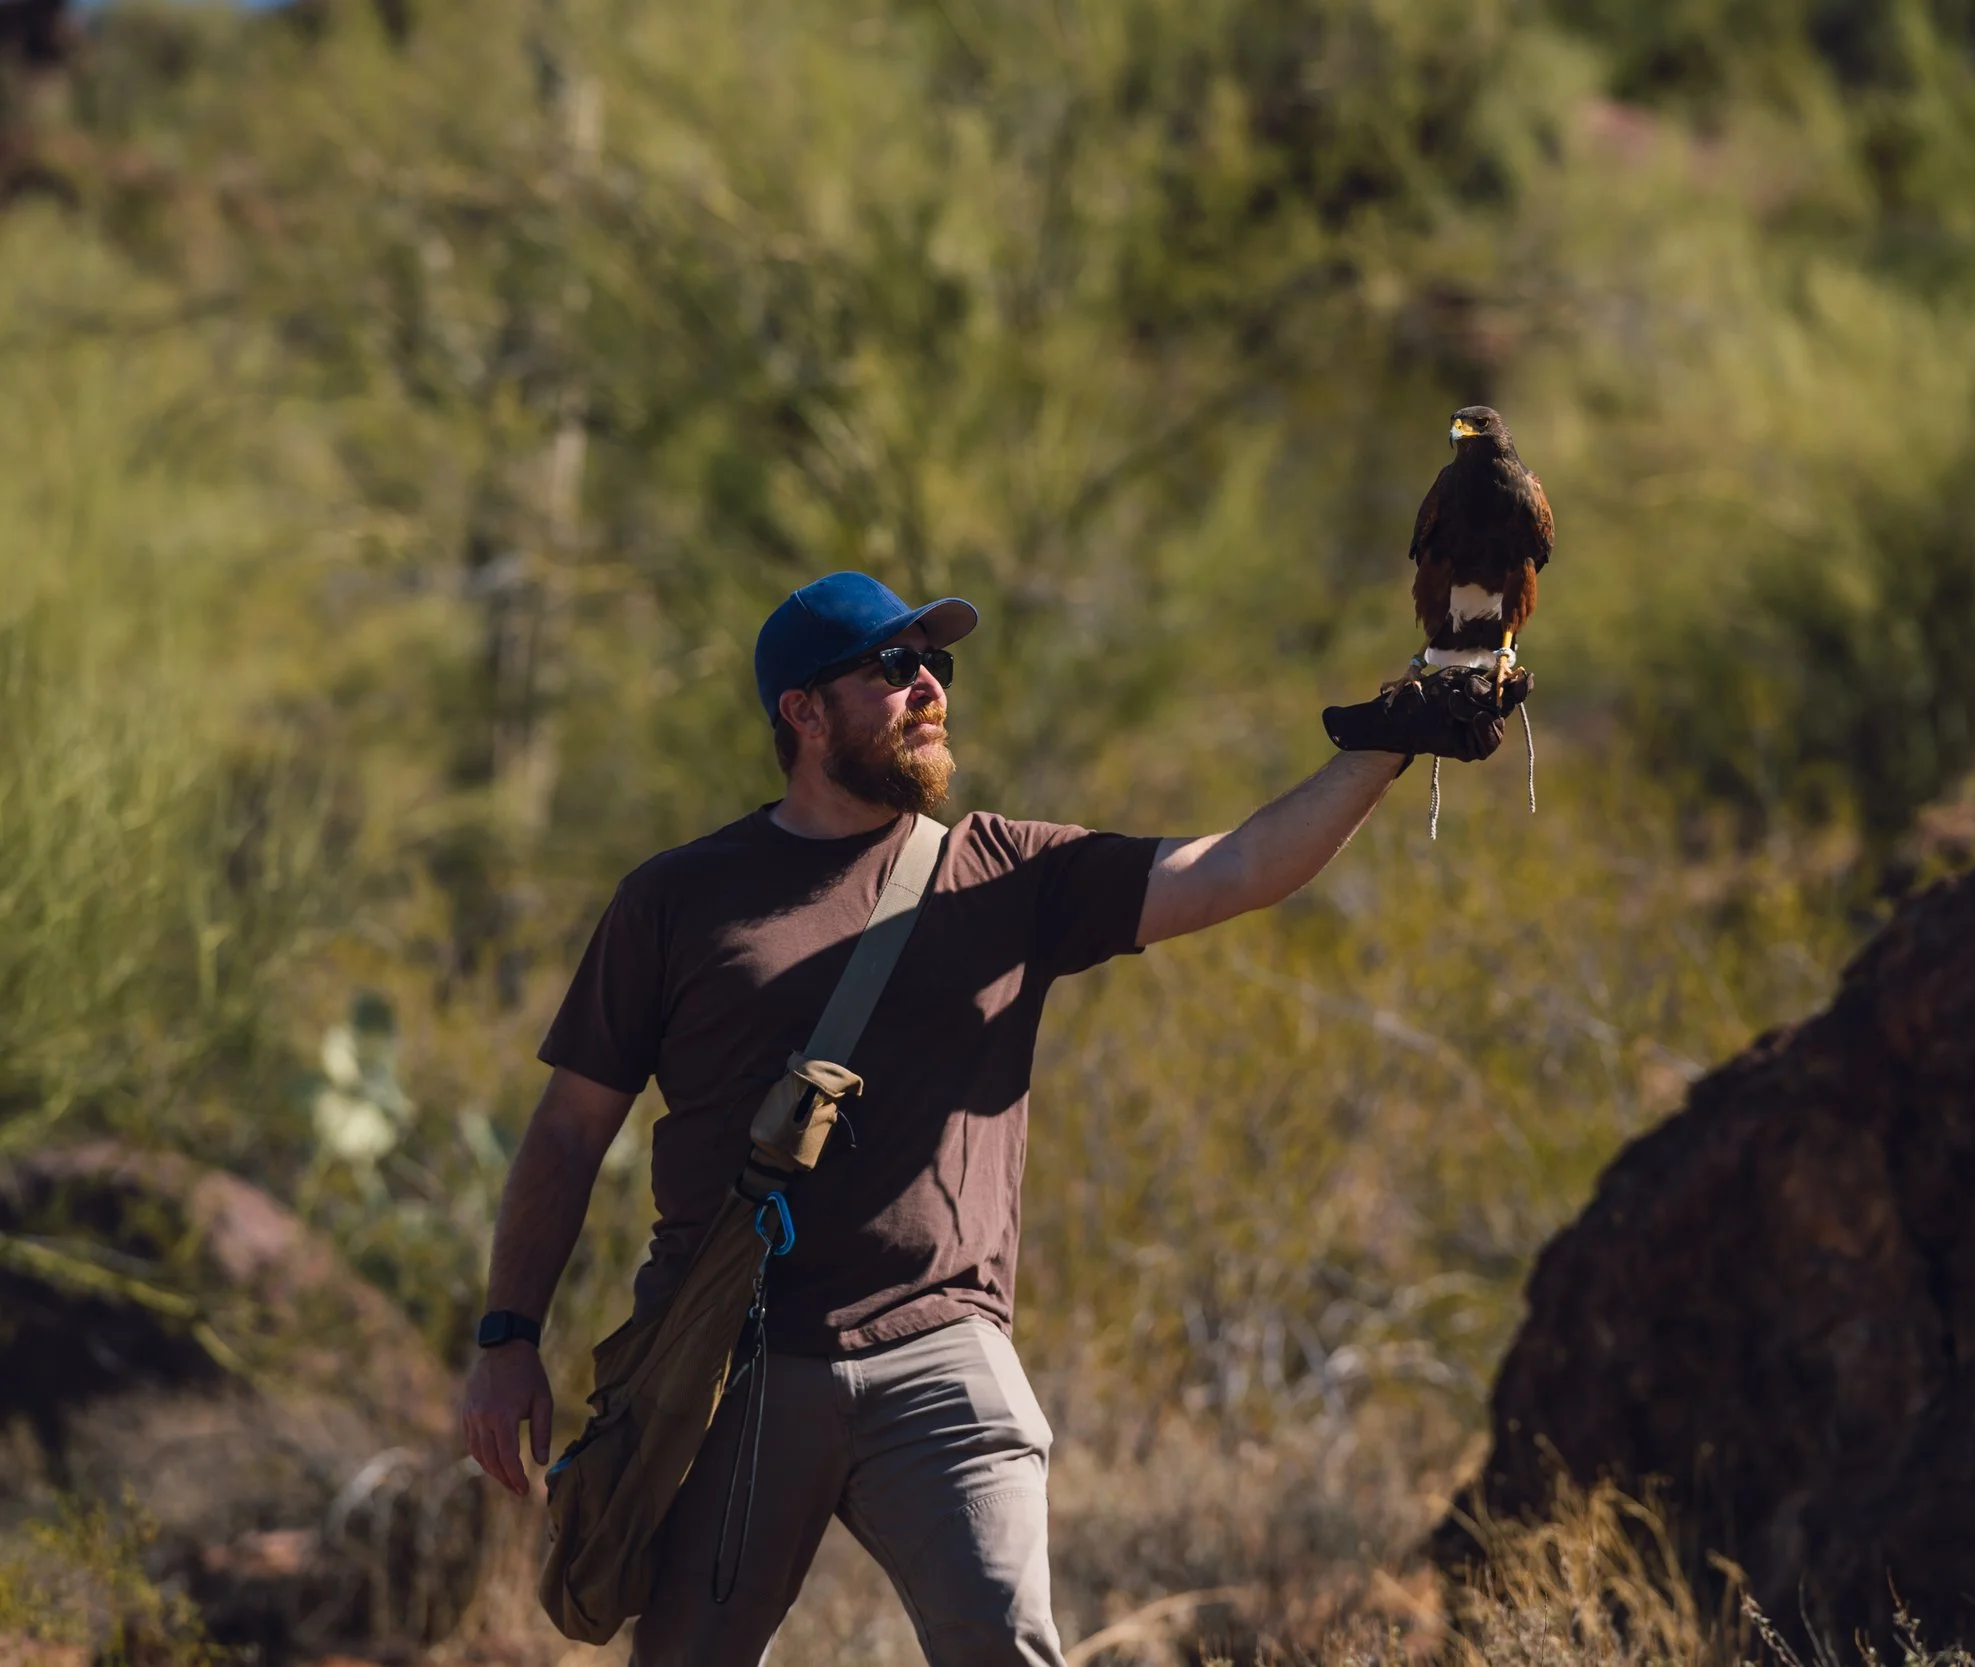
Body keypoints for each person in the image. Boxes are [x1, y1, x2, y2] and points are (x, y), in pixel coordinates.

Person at [458, 572, 1519, 1667]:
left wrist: (1394, 739)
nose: (928, 687)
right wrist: (506, 1335)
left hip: (942, 1351)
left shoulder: (1004, 870)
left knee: (1007, 1645)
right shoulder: (675, 900)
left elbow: (1239, 866)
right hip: (737, 1357)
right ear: (802, 712)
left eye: (936, 667)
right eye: (893, 667)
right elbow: (569, 1128)